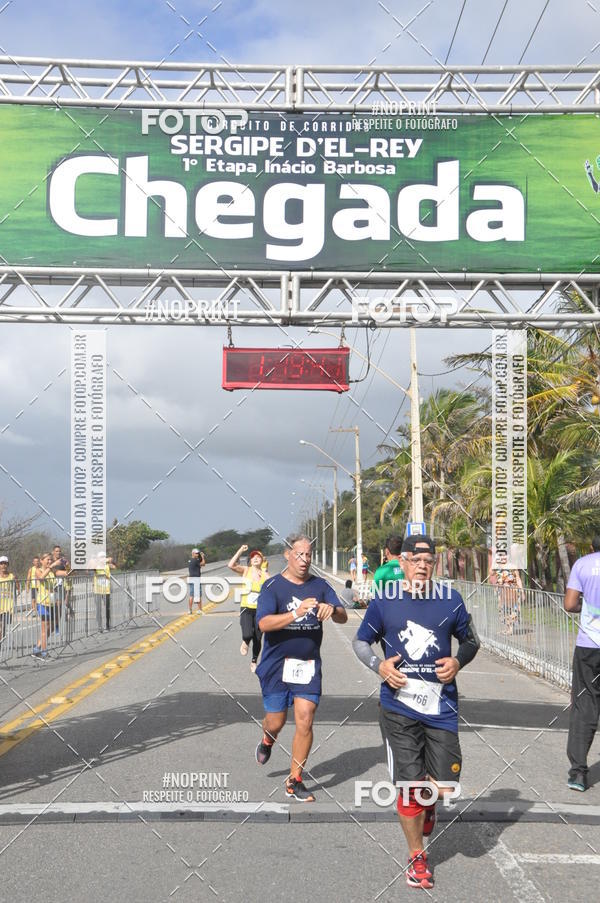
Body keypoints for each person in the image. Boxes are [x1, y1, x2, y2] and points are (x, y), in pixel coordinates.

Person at [352, 534, 480, 889]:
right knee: (410, 786)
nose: (422, 566)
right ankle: (416, 856)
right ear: (403, 563)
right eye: (415, 560)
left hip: (441, 706)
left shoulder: (450, 601)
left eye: (428, 561)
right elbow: (360, 641)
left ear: (433, 565)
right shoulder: (385, 601)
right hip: (398, 705)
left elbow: (471, 641)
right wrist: (379, 666)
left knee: (446, 787)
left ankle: (430, 804)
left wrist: (457, 660)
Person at [254, 533, 348, 801]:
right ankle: (268, 739)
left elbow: (343, 616)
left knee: (305, 717)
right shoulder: (272, 587)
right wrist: (296, 613)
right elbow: (263, 624)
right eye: (299, 554)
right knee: (276, 720)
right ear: (287, 555)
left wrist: (332, 609)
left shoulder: (320, 586)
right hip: (275, 666)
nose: (305, 559)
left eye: (308, 555)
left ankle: (295, 780)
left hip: (307, 666)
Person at [564, 537, 600, 792]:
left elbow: (570, 603)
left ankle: (578, 772)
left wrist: (584, 608)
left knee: (585, 704)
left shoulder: (583, 565)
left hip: (590, 645)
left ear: (592, 546)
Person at [228, 544, 270, 673]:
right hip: (246, 608)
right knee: (248, 633)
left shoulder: (266, 575)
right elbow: (231, 565)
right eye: (253, 557)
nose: (255, 559)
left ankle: (254, 661)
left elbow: (274, 590)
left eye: (258, 557)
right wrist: (240, 550)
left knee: (258, 638)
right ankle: (245, 641)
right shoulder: (246, 570)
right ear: (250, 561)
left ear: (262, 560)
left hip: (260, 610)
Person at [33, 552, 57, 657]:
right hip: (42, 603)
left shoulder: (52, 572)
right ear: (42, 561)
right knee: (44, 627)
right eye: (47, 559)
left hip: (51, 603)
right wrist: (50, 567)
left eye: (51, 560)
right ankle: (43, 651)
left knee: (51, 627)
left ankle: (37, 648)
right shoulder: (39, 570)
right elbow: (41, 578)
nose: (50, 561)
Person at [490, 566, 524, 635]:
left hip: (513, 590)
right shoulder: (497, 566)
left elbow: (518, 578)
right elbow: (491, 573)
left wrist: (522, 591)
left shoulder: (513, 566)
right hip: (501, 591)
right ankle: (507, 628)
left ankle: (511, 629)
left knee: (513, 610)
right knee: (503, 610)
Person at [50, 545, 71, 636]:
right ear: (53, 552)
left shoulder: (63, 560)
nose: (58, 553)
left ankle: (57, 626)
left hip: (60, 585)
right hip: (50, 586)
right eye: (56, 551)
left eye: (59, 551)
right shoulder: (50, 561)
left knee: (58, 607)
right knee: (51, 607)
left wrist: (67, 565)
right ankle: (51, 624)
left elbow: (69, 571)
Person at [93, 555, 114, 631]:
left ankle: (108, 625)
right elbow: (89, 567)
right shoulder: (96, 565)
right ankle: (99, 626)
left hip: (106, 589)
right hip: (98, 590)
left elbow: (114, 566)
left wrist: (110, 561)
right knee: (98, 608)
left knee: (107, 608)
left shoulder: (107, 565)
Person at [0, 556, 17, 649]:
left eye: (5, 563)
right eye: (1, 563)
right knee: (1, 626)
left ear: (8, 565)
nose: (3, 565)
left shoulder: (12, 576)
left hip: (7, 606)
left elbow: (18, 587)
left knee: (2, 627)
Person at [187, 547, 206, 613]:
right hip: (196, 579)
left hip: (191, 578)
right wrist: (203, 557)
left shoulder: (190, 560)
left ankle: (190, 610)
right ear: (193, 553)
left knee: (191, 595)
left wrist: (200, 557)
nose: (198, 554)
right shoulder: (196, 560)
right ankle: (199, 610)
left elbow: (198, 564)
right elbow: (203, 564)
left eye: (198, 553)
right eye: (196, 553)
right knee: (198, 595)